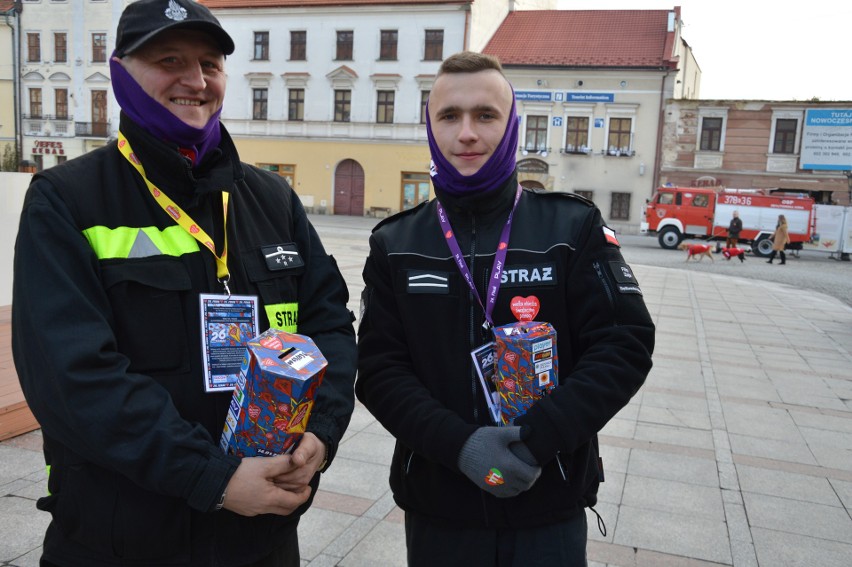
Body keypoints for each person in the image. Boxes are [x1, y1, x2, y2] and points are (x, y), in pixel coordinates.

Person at [12, 1, 357, 565]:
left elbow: (330, 327)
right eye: (169, 59)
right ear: (121, 72)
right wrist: (214, 478)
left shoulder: (271, 199)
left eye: (210, 63)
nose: (195, 80)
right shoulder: (67, 199)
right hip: (122, 538)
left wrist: (320, 434)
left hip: (260, 539)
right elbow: (73, 378)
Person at [356, 51, 655, 566]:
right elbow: (381, 369)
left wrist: (536, 441)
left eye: (485, 115)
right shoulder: (396, 242)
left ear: (511, 125)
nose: (467, 133)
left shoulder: (571, 229)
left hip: (549, 502)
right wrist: (461, 446)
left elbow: (623, 344)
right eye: (449, 116)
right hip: (440, 507)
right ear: (430, 126)